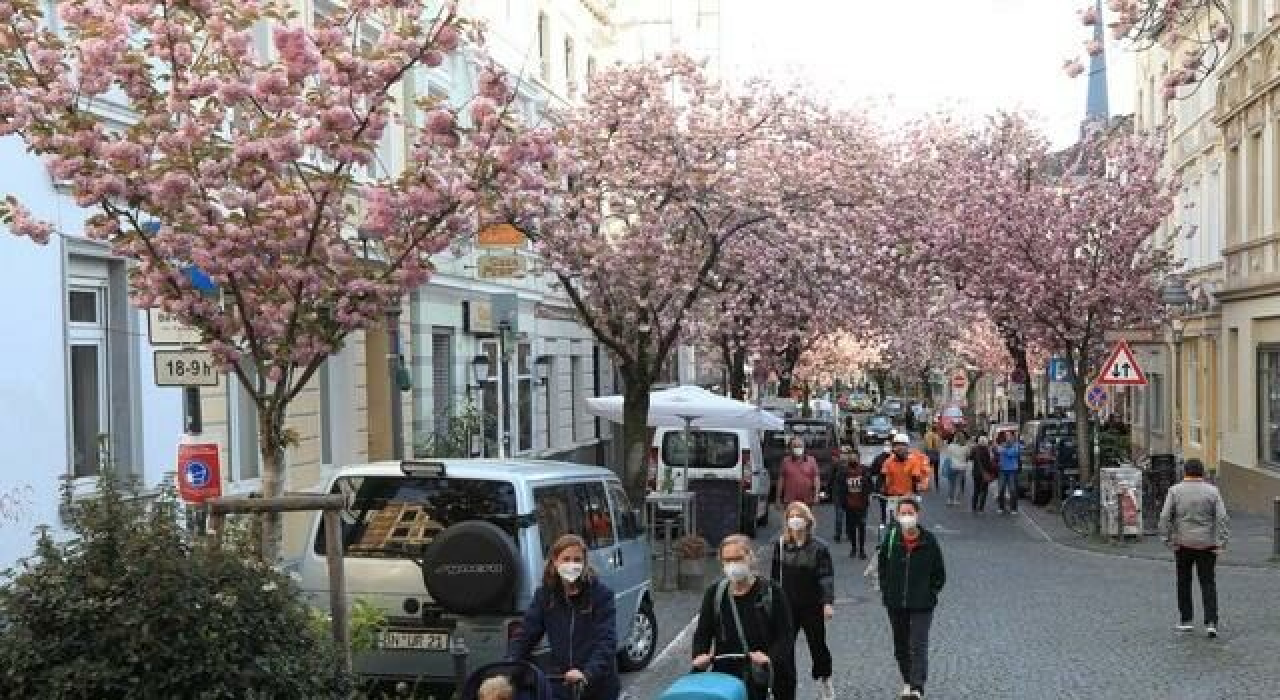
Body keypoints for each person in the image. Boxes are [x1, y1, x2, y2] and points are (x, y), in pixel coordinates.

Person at [509, 534, 619, 700]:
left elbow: (606, 641)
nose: (571, 564)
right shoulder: (545, 596)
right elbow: (526, 635)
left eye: (577, 560)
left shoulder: (600, 595)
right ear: (555, 561)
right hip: (562, 682)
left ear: (584, 563)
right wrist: (508, 667)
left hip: (597, 685)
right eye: (566, 559)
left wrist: (587, 673)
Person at [693, 534, 795, 700]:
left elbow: (786, 635)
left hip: (766, 677)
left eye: (738, 558)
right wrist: (699, 656)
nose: (733, 565)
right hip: (727, 679)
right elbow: (703, 632)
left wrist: (769, 659)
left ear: (750, 557)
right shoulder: (715, 593)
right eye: (727, 560)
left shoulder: (772, 592)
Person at [878, 498, 946, 700]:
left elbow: (939, 572)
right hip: (896, 601)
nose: (906, 517)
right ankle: (907, 681)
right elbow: (882, 566)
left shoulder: (929, 540)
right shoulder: (891, 538)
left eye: (910, 513)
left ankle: (917, 687)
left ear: (917, 515)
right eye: (903, 513)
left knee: (918, 643)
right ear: (897, 516)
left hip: (922, 603)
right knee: (901, 644)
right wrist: (887, 590)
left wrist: (930, 592)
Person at [770, 502, 835, 700]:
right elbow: (774, 577)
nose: (795, 520)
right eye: (791, 516)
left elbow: (826, 576)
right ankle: (785, 689)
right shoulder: (780, 545)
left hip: (811, 605)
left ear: (807, 520)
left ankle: (824, 678)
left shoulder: (819, 548)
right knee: (783, 649)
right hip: (787, 605)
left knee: (817, 645)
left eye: (799, 516)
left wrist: (827, 602)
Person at [1158, 458, 1229, 638]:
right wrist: (1221, 542)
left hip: (1183, 543)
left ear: (1185, 472)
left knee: (1183, 582)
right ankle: (1211, 622)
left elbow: (1165, 516)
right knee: (1208, 583)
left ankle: (1186, 620)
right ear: (1202, 472)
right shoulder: (1212, 491)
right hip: (1207, 544)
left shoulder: (1175, 491)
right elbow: (1222, 518)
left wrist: (1166, 539)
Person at [832, 450, 873, 558]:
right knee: (852, 528)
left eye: (855, 457)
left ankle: (862, 550)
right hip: (849, 504)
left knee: (862, 526)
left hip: (862, 504)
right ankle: (854, 548)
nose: (853, 459)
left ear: (859, 458)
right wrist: (840, 501)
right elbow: (839, 487)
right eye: (851, 458)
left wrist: (869, 495)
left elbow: (870, 484)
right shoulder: (843, 472)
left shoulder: (864, 470)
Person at [882, 433, 932, 501]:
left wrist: (917, 492)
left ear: (907, 446)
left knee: (910, 510)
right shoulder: (888, 461)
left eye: (902, 445)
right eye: (896, 445)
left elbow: (916, 478)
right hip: (892, 496)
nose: (899, 447)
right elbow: (884, 477)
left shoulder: (914, 460)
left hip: (909, 496)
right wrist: (881, 489)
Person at [778, 436, 820, 507]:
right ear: (790, 448)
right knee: (792, 518)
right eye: (795, 446)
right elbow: (781, 480)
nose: (797, 448)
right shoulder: (785, 461)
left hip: (807, 500)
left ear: (804, 447)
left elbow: (816, 479)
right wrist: (778, 498)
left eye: (800, 446)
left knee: (805, 518)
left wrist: (816, 495)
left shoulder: (811, 460)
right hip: (790, 501)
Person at [995, 434, 1022, 515]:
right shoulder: (1002, 445)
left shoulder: (1016, 445)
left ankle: (1013, 508)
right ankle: (1001, 507)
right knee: (1001, 489)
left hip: (1012, 470)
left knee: (1013, 489)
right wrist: (1004, 450)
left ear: (1013, 438)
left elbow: (1014, 453)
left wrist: (1004, 451)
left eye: (1009, 437)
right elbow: (998, 451)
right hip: (1002, 470)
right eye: (1007, 437)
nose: (1008, 438)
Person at [969, 435, 996, 512]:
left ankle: (974, 507)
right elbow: (989, 464)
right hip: (985, 473)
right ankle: (981, 508)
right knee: (984, 491)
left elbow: (970, 458)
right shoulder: (987, 451)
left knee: (976, 490)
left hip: (976, 473)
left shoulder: (974, 449)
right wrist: (991, 472)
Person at [944, 433, 971, 507]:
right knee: (959, 484)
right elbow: (968, 456)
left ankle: (949, 499)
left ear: (955, 438)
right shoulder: (966, 447)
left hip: (952, 466)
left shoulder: (951, 446)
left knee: (951, 484)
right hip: (962, 467)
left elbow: (948, 456)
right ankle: (956, 500)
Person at [922, 426, 942, 491]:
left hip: (928, 454)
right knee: (936, 471)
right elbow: (940, 447)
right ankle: (937, 485)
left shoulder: (926, 435)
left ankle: (926, 485)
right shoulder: (938, 436)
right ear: (936, 430)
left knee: (927, 471)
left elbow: (924, 446)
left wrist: (924, 454)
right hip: (936, 455)